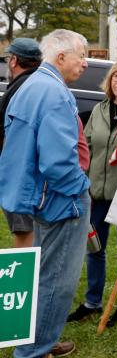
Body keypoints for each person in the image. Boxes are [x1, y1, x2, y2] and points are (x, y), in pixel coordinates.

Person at [0, 29, 92, 358]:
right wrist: (81, 190)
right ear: (61, 56)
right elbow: (57, 161)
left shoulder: (28, 86)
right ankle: (33, 352)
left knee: (41, 276)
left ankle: (36, 343)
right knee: (56, 281)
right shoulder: (53, 92)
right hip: (57, 201)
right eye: (81, 55)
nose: (86, 62)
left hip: (34, 198)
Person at [66, 57, 117, 327]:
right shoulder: (99, 110)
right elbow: (84, 147)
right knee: (94, 248)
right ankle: (92, 301)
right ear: (110, 81)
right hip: (95, 195)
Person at [1, 38, 43, 248]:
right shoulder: (41, 83)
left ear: (14, 60)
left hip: (21, 172)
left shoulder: (23, 87)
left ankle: (22, 280)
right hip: (32, 171)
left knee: (24, 232)